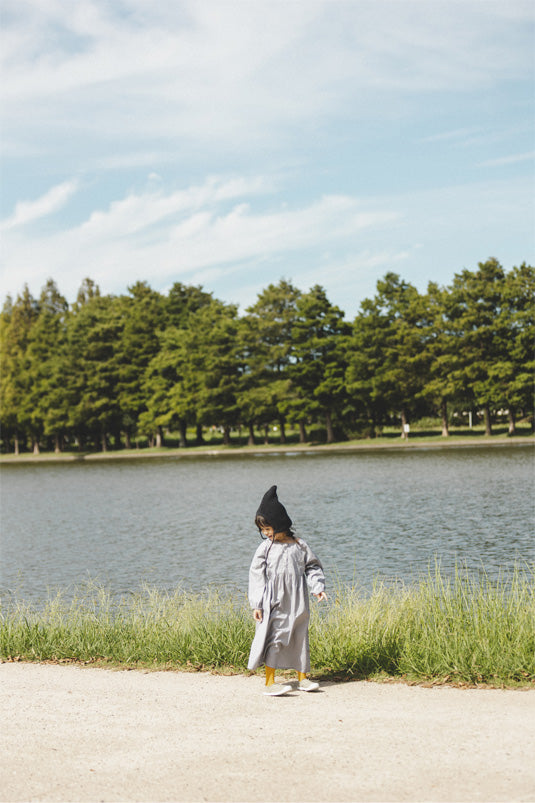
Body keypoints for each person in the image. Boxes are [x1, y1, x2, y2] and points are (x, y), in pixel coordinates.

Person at [247, 485, 327, 696]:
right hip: (273, 601)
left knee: (300, 636)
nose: (265, 533)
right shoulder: (266, 548)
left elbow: (312, 566)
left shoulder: (300, 545)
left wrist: (317, 587)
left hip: (297, 600)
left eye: (268, 528)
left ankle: (302, 678)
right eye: (262, 530)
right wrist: (256, 603)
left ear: (280, 523)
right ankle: (270, 682)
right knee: (274, 637)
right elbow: (256, 574)